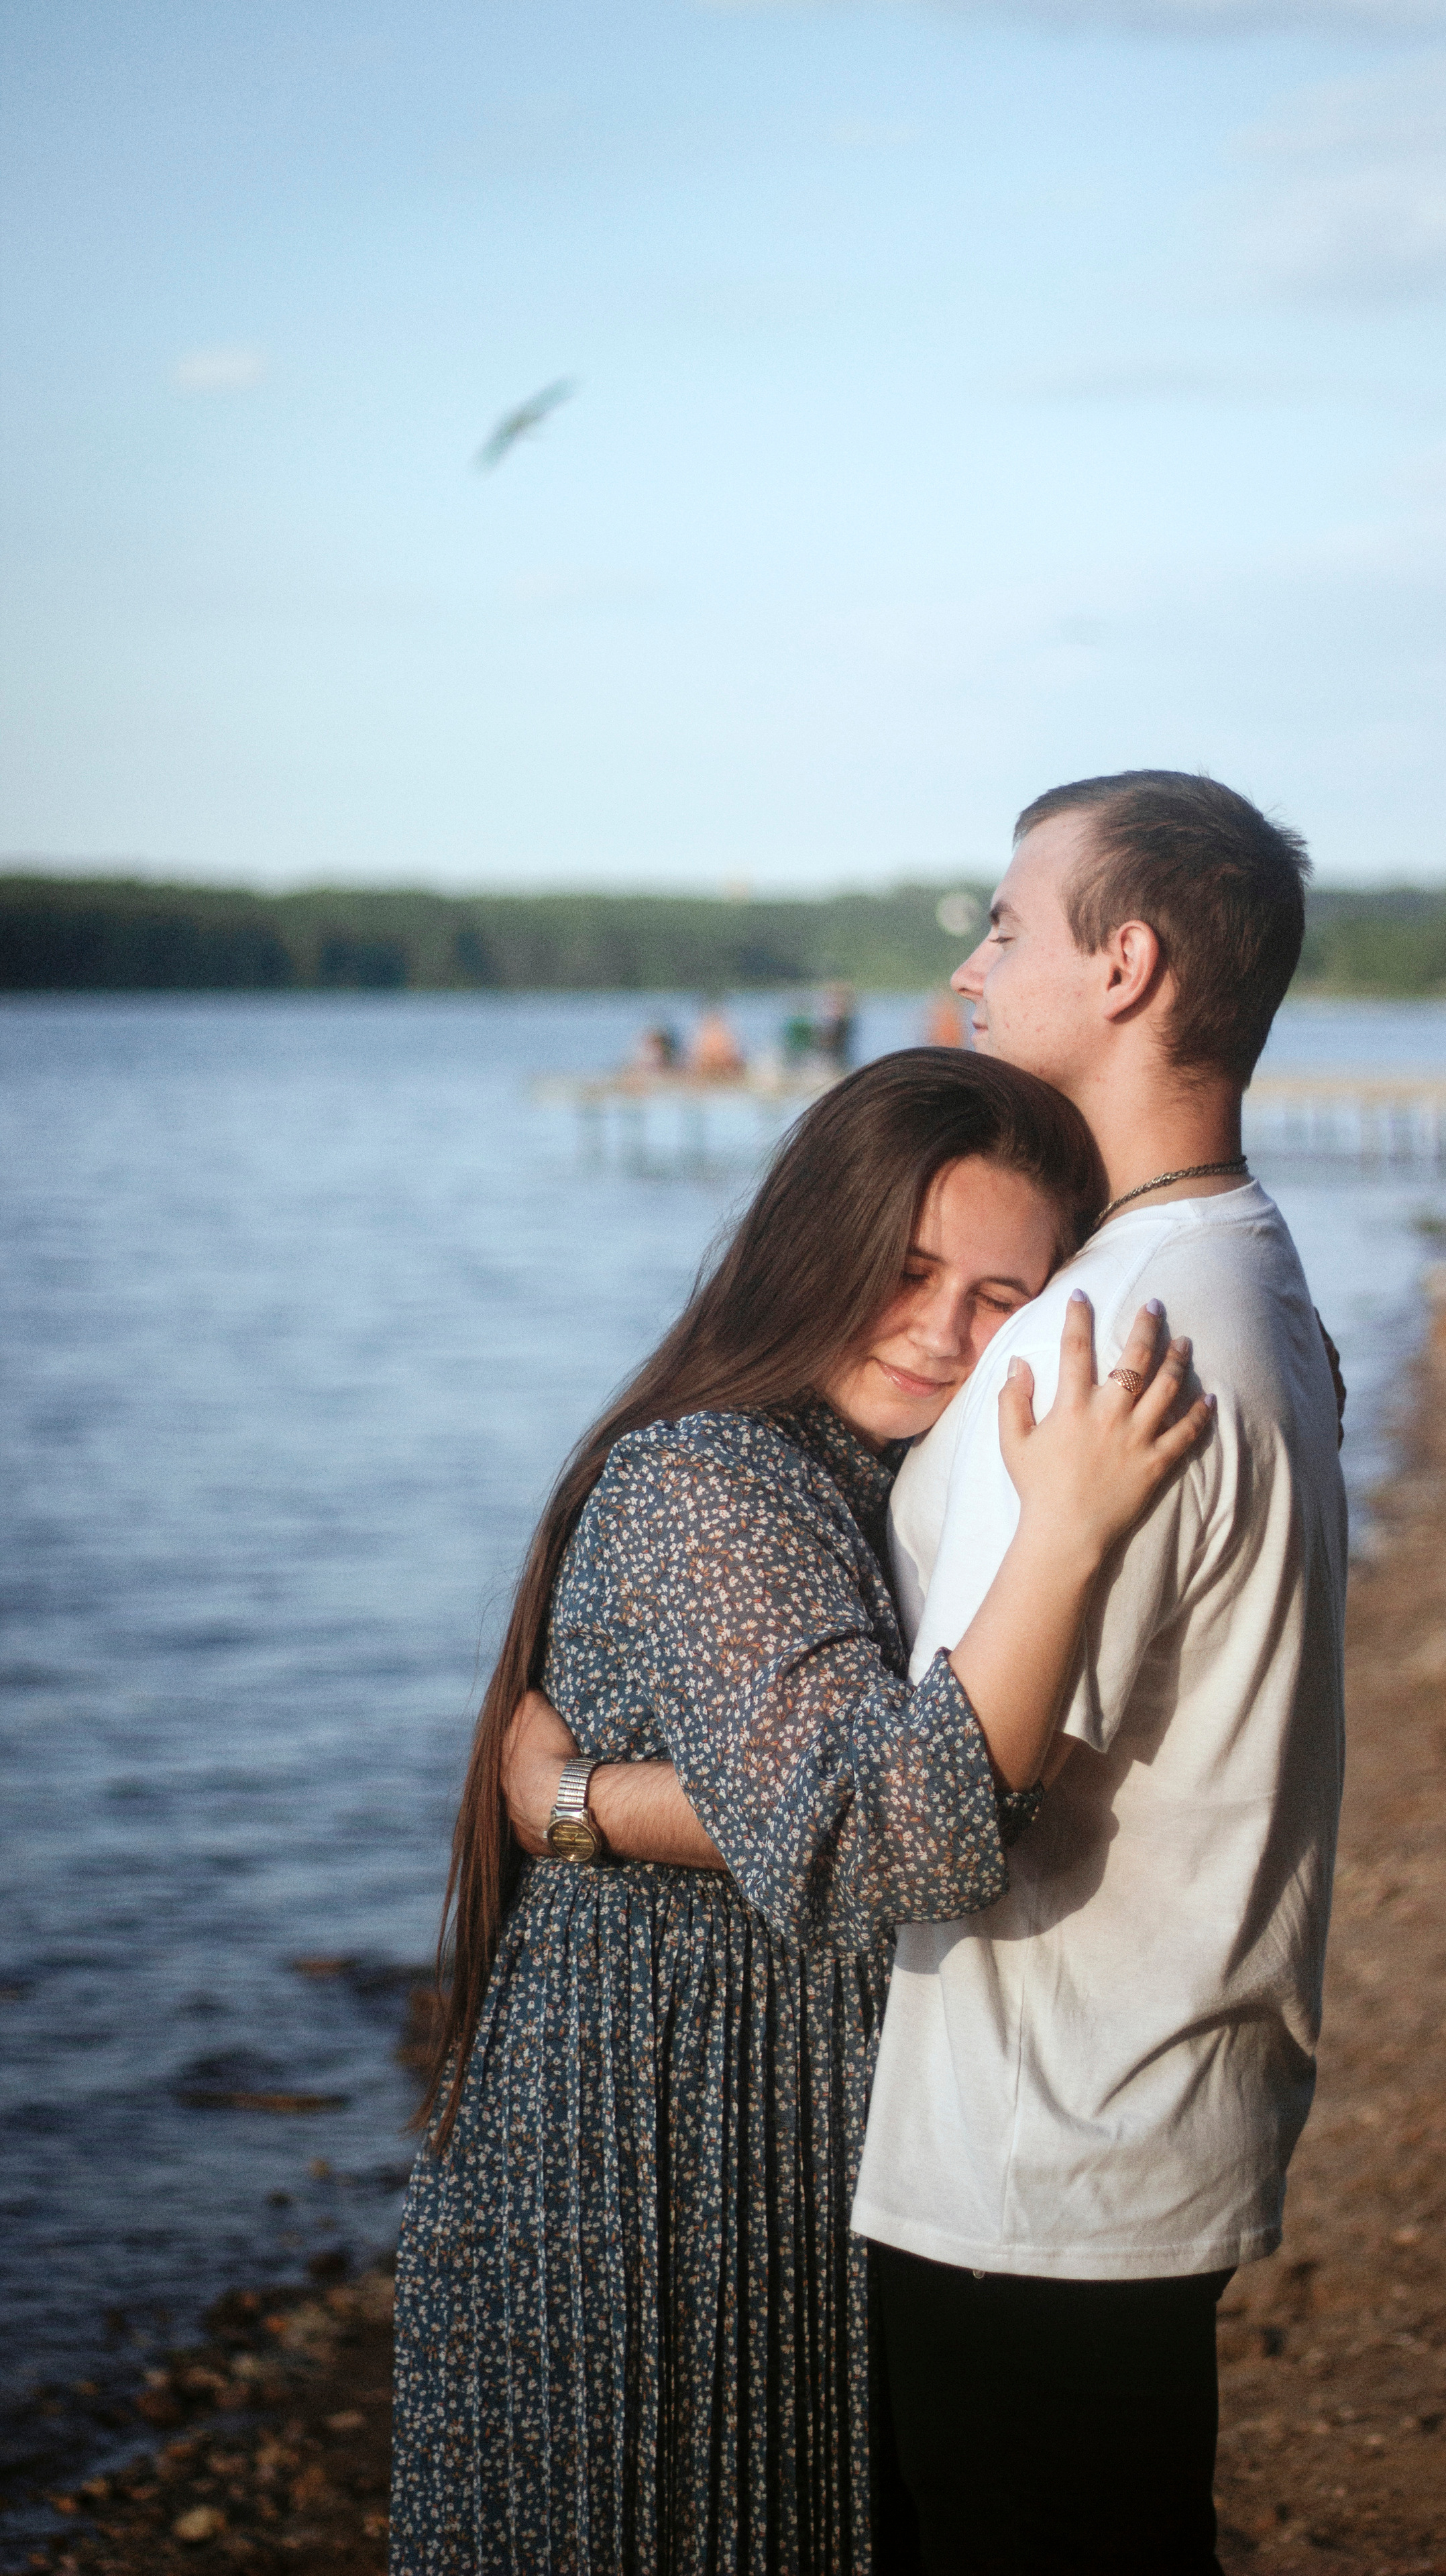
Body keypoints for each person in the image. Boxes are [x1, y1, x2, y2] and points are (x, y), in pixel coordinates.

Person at [509, 769, 1347, 2574]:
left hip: (1045, 2151)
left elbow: (898, 1821)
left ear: (1124, 965)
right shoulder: (1232, 1280)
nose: (968, 970)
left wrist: (577, 1803)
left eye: (1004, 922)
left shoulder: (1115, 1340)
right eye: (909, 1278)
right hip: (1076, 2122)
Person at [392, 1049, 1211, 2576]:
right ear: (804, 1243)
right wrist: (1072, 1528)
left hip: (745, 2121)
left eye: (996, 1299)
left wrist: (588, 1802)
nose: (939, 1331)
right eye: (903, 1271)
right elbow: (875, 1829)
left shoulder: (862, 1471)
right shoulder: (712, 1479)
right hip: (655, 2168)